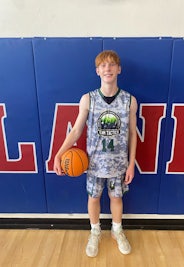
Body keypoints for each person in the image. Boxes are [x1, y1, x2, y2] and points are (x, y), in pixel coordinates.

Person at [54, 50, 137, 257]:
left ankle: (117, 230)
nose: (107, 68)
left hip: (119, 164)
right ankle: (95, 231)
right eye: (103, 66)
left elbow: (132, 135)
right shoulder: (88, 99)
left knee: (116, 198)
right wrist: (58, 154)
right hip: (94, 164)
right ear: (97, 71)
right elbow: (76, 131)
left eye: (112, 65)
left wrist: (131, 163)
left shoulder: (129, 101)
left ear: (119, 69)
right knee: (94, 198)